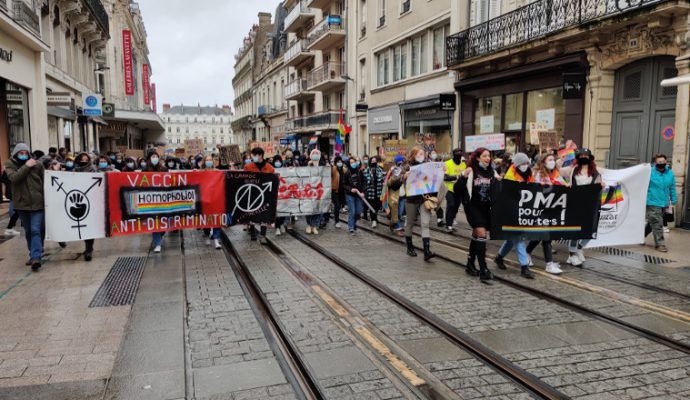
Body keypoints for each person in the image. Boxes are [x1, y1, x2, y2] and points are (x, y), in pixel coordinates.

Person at [458, 147, 499, 282]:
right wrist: (463, 176)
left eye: (489, 156)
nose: (488, 158)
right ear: (477, 158)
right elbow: (457, 189)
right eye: (485, 156)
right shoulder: (471, 171)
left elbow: (497, 190)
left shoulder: (492, 172)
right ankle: (483, 269)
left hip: (486, 208)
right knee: (482, 234)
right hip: (472, 207)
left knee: (476, 235)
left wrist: (500, 181)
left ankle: (470, 264)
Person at [493, 152, 535, 279]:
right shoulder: (510, 176)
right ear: (516, 165)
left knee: (512, 239)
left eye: (527, 163)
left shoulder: (529, 174)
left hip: (523, 211)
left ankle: (499, 257)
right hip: (511, 211)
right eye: (522, 163)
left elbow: (533, 189)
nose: (525, 165)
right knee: (518, 238)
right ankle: (524, 267)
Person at [5, 144, 45, 271]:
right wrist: (27, 166)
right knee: (28, 231)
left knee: (35, 230)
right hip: (22, 204)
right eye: (21, 152)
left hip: (38, 203)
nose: (24, 154)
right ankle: (33, 253)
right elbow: (14, 178)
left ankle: (36, 257)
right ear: (16, 154)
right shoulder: (10, 164)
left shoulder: (38, 164)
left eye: (26, 152)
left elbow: (44, 181)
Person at [561, 148, 602, 266]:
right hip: (575, 203)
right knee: (575, 230)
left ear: (590, 157)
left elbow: (609, 175)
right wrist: (561, 159)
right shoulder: (572, 169)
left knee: (589, 230)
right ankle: (571, 255)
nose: (584, 157)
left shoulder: (595, 170)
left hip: (590, 204)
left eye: (586, 155)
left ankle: (579, 247)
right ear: (578, 157)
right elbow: (558, 171)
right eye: (582, 155)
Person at [526, 153, 565, 275]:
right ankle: (549, 264)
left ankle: (527, 252)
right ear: (543, 162)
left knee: (541, 235)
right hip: (540, 209)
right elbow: (534, 190)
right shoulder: (537, 174)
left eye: (553, 159)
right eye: (550, 159)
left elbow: (565, 186)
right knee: (545, 234)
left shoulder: (556, 174)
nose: (552, 161)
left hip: (552, 209)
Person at [403, 146, 437, 262]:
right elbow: (396, 180)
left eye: (422, 153)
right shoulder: (407, 166)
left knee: (425, 223)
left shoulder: (428, 166)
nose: (421, 156)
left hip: (424, 199)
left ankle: (427, 251)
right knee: (410, 223)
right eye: (418, 154)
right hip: (411, 199)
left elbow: (435, 179)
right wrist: (404, 176)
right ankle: (409, 247)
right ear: (413, 155)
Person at [645, 154, 677, 252]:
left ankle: (640, 235)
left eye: (663, 162)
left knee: (652, 222)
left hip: (664, 202)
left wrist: (674, 198)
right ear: (655, 163)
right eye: (659, 162)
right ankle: (660, 244)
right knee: (657, 222)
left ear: (666, 162)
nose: (661, 164)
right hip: (652, 201)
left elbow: (672, 187)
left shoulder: (670, 173)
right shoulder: (649, 172)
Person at [73, 152, 100, 260]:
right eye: (82, 159)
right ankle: (87, 247)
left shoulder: (93, 170)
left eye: (86, 159)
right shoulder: (75, 171)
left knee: (89, 226)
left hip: (91, 201)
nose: (84, 161)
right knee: (82, 226)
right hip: (78, 201)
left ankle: (89, 249)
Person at [244, 147, 275, 242]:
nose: (253, 157)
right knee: (252, 214)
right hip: (252, 194)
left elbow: (273, 181)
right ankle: (252, 232)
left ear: (260, 155)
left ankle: (263, 235)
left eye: (254, 155)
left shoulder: (269, 168)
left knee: (264, 214)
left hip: (265, 195)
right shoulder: (248, 167)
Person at [144, 151, 168, 252]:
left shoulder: (164, 169)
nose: (155, 158)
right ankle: (157, 243)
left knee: (163, 222)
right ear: (149, 158)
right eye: (153, 156)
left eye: (156, 156)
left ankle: (160, 234)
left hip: (162, 200)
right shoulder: (144, 170)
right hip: (151, 201)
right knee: (154, 222)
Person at [442, 148, 467, 232]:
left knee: (456, 208)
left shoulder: (463, 165)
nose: (459, 154)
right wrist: (456, 177)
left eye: (460, 152)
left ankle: (451, 222)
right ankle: (448, 225)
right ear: (453, 154)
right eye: (457, 153)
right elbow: (444, 177)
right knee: (451, 205)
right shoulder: (447, 163)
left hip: (459, 190)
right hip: (449, 189)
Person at [201, 154, 223, 249]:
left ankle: (216, 239)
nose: (209, 161)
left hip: (216, 198)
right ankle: (206, 235)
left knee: (217, 219)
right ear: (204, 162)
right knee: (206, 219)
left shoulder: (218, 172)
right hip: (205, 199)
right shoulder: (200, 172)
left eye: (210, 160)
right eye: (207, 160)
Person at [343, 156, 364, 235]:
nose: (353, 164)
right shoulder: (347, 173)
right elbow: (344, 184)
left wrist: (363, 192)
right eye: (351, 162)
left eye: (354, 162)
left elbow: (364, 182)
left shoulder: (359, 172)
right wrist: (350, 189)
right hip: (350, 195)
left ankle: (354, 223)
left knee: (358, 212)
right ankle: (351, 227)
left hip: (358, 195)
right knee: (352, 211)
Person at [362, 155, 385, 228]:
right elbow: (364, 181)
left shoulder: (380, 170)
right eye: (372, 160)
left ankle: (375, 217)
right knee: (372, 207)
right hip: (370, 192)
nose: (374, 162)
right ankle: (373, 220)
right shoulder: (366, 170)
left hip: (378, 192)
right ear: (370, 161)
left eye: (375, 161)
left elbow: (383, 179)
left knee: (377, 206)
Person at [305, 149, 323, 234]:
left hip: (319, 190)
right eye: (313, 153)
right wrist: (308, 166)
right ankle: (309, 224)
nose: (315, 155)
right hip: (309, 190)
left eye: (317, 154)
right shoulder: (308, 164)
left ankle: (315, 226)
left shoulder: (323, 165)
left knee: (317, 209)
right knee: (309, 209)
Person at [1, 167, 20, 235]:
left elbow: (3, 179)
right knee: (16, 209)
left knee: (16, 209)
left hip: (11, 191)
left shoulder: (7, 170)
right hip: (14, 191)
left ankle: (10, 227)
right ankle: (10, 227)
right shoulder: (13, 169)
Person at [331, 155, 346, 229]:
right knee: (337, 205)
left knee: (339, 206)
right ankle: (337, 221)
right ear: (335, 162)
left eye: (340, 161)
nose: (339, 163)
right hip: (334, 190)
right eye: (338, 162)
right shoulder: (333, 169)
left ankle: (336, 218)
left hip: (342, 191)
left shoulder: (344, 170)